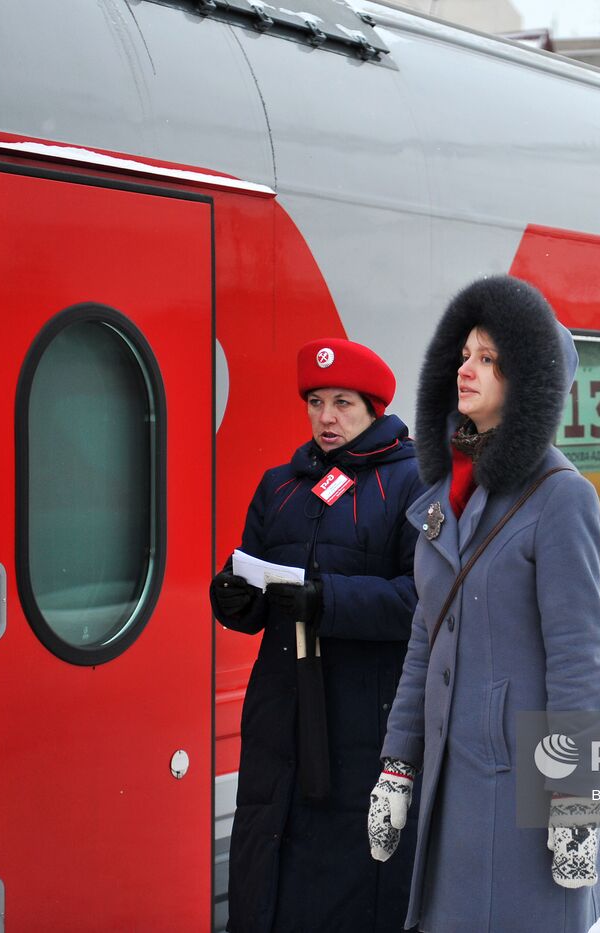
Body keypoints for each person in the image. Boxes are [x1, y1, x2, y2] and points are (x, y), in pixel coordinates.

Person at [366, 276, 600, 932]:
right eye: (465, 354)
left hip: (524, 798)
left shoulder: (562, 498)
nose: (465, 368)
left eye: (488, 357)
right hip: (455, 791)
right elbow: (427, 633)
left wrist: (576, 800)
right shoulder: (451, 493)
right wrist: (397, 764)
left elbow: (578, 661)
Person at [209, 338, 426, 933]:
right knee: (267, 858)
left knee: (350, 882)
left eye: (342, 404)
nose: (326, 418)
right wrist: (230, 598)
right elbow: (249, 578)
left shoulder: (410, 485)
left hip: (362, 721)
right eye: (315, 402)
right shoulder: (280, 485)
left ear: (374, 409)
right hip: (279, 717)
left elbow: (422, 602)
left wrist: (327, 600)